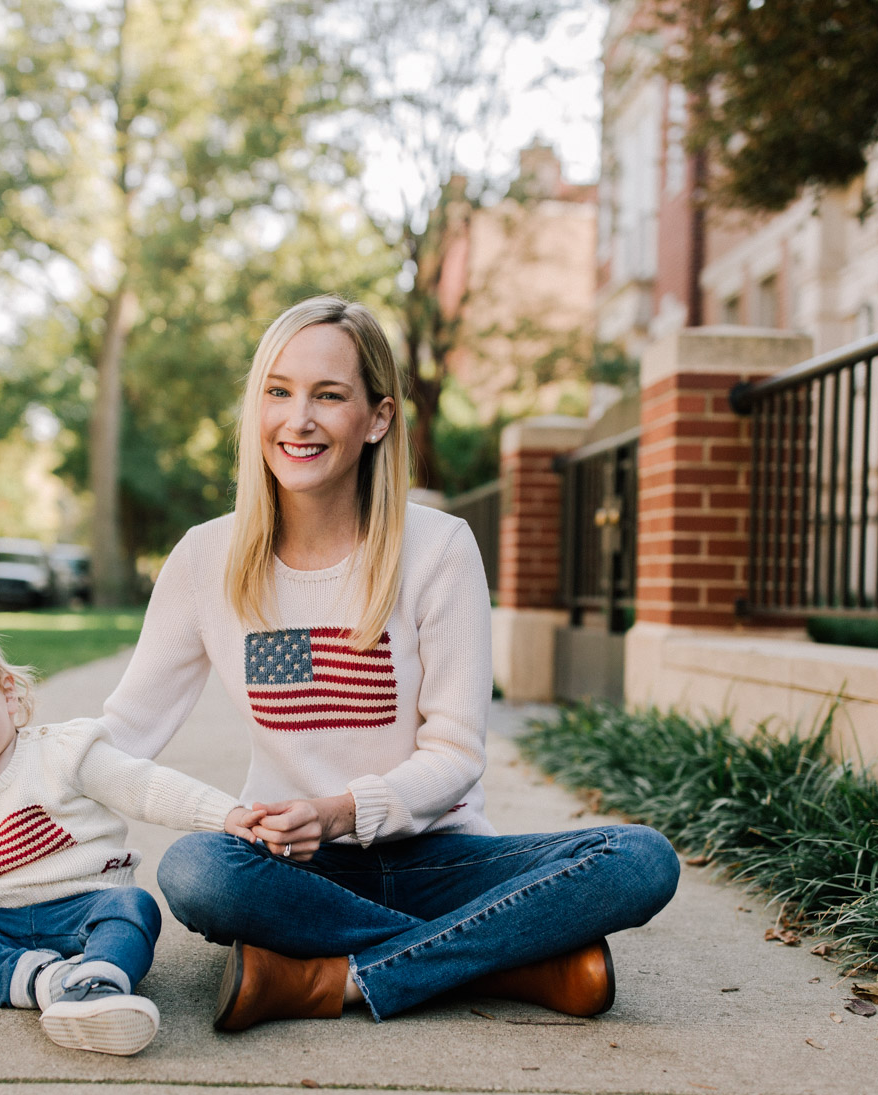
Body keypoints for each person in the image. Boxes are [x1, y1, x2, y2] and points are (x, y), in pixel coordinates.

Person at [83, 294, 683, 1030]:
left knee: (640, 859)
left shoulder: (439, 548)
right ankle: (517, 960)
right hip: (296, 873)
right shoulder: (206, 557)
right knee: (197, 872)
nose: (297, 420)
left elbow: (457, 752)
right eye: (278, 392)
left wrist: (338, 812)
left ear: (378, 418)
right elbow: (123, 732)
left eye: (328, 396)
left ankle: (330, 981)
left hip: (441, 862)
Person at [0, 616, 254, 1055]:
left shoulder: (63, 753)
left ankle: (101, 978)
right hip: (1, 923)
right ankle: (49, 984)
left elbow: (145, 788)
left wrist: (227, 814)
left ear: (8, 694)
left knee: (133, 908)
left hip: (84, 906)